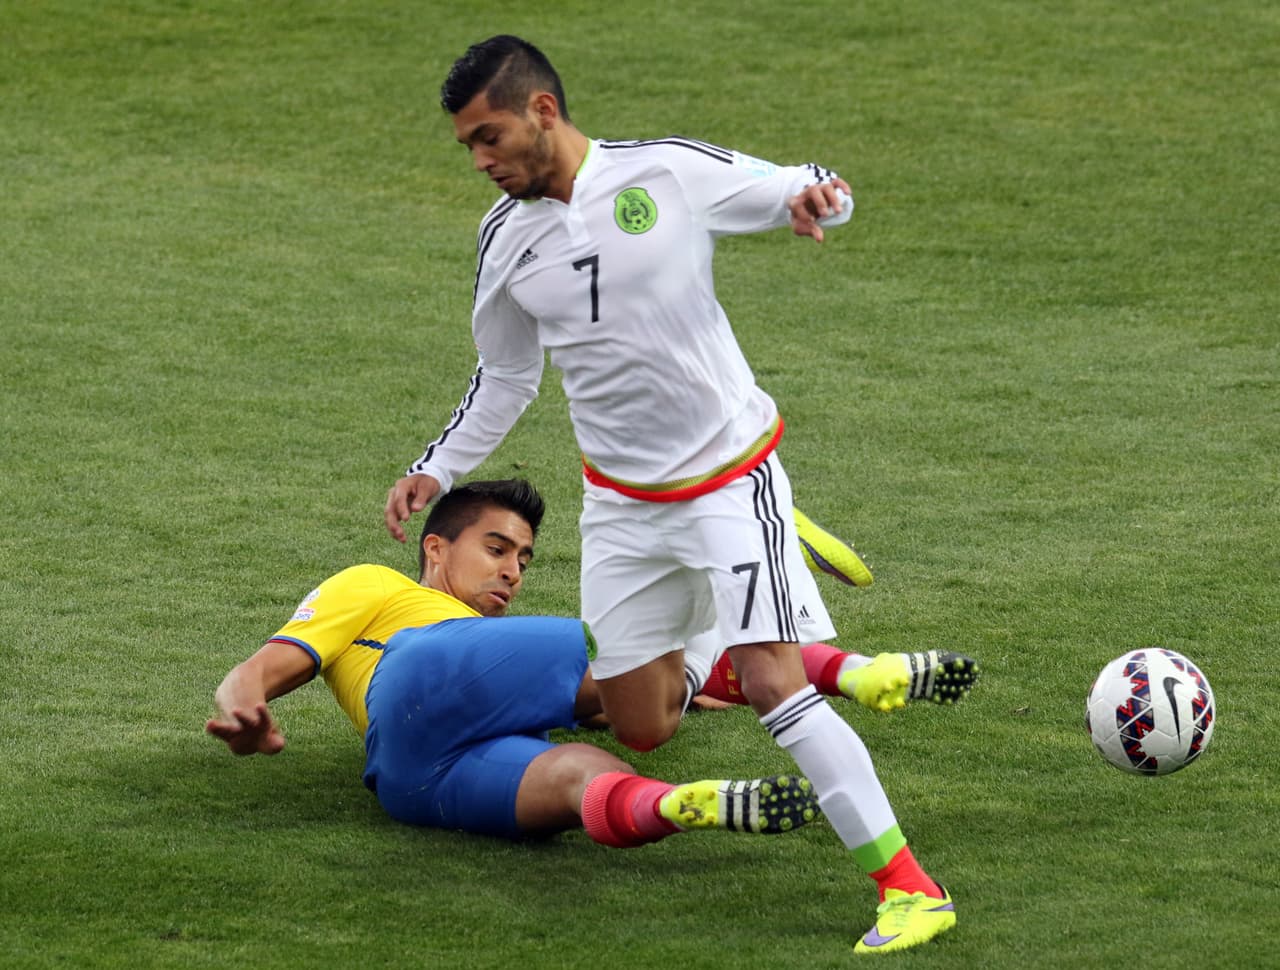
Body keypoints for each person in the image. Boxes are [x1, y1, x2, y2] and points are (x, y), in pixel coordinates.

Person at [383, 37, 960, 953]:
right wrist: (438, 468)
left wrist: (822, 202)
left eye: (488, 137)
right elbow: (504, 376)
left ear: (541, 112)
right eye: (468, 148)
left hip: (730, 477)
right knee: (643, 723)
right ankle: (733, 602)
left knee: (774, 683)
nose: (481, 160)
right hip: (620, 506)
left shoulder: (666, 174)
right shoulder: (505, 241)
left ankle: (909, 889)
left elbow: (813, 185)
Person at [207, 479, 822, 848]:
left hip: (411, 776)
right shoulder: (376, 585)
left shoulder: (510, 656)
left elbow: (613, 711)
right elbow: (260, 667)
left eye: (524, 561)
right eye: (496, 548)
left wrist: (666, 688)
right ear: (436, 547)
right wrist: (244, 707)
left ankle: (683, 803)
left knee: (583, 771)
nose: (511, 570)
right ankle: (736, 554)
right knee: (630, 640)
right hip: (418, 671)